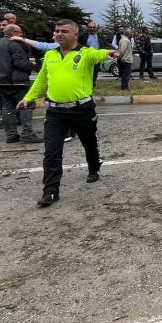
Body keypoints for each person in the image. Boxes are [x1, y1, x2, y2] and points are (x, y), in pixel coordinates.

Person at [17, 19, 119, 207]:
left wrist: (110, 53)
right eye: (56, 31)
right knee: (51, 152)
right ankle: (50, 191)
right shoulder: (49, 55)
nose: (59, 34)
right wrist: (28, 97)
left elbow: (99, 54)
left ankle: (94, 167)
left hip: (82, 109)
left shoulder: (85, 53)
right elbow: (41, 80)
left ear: (75, 35)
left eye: (64, 31)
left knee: (89, 144)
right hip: (56, 112)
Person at [0, 24, 43, 144]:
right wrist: (35, 66)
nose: (22, 34)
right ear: (13, 32)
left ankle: (11, 134)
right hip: (16, 81)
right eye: (19, 32)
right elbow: (21, 63)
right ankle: (27, 133)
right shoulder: (15, 44)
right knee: (26, 105)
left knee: (8, 107)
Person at [78, 20, 103, 86]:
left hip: (96, 59)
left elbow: (102, 46)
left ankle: (91, 89)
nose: (92, 29)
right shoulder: (84, 36)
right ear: (87, 28)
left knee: (95, 74)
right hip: (86, 58)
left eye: (93, 27)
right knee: (85, 74)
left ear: (96, 28)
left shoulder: (99, 37)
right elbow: (79, 45)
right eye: (90, 27)